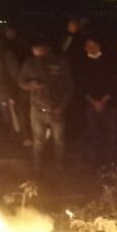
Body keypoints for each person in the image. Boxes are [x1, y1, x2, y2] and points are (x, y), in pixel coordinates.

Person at [19, 37, 74, 172]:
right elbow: (21, 81)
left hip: (56, 108)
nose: (36, 51)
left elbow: (70, 87)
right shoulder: (30, 63)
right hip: (37, 108)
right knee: (38, 141)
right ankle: (38, 168)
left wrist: (61, 107)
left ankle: (59, 167)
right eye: (34, 49)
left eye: (39, 48)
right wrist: (31, 85)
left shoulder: (60, 62)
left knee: (59, 140)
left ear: (47, 48)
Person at [77, 36, 117, 164]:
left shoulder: (109, 61)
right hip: (91, 104)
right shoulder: (82, 63)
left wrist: (103, 101)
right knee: (94, 132)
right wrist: (93, 102)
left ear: (99, 46)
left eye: (93, 45)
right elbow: (81, 86)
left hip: (109, 104)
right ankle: (96, 161)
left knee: (112, 132)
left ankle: (112, 160)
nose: (90, 48)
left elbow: (114, 83)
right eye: (88, 46)